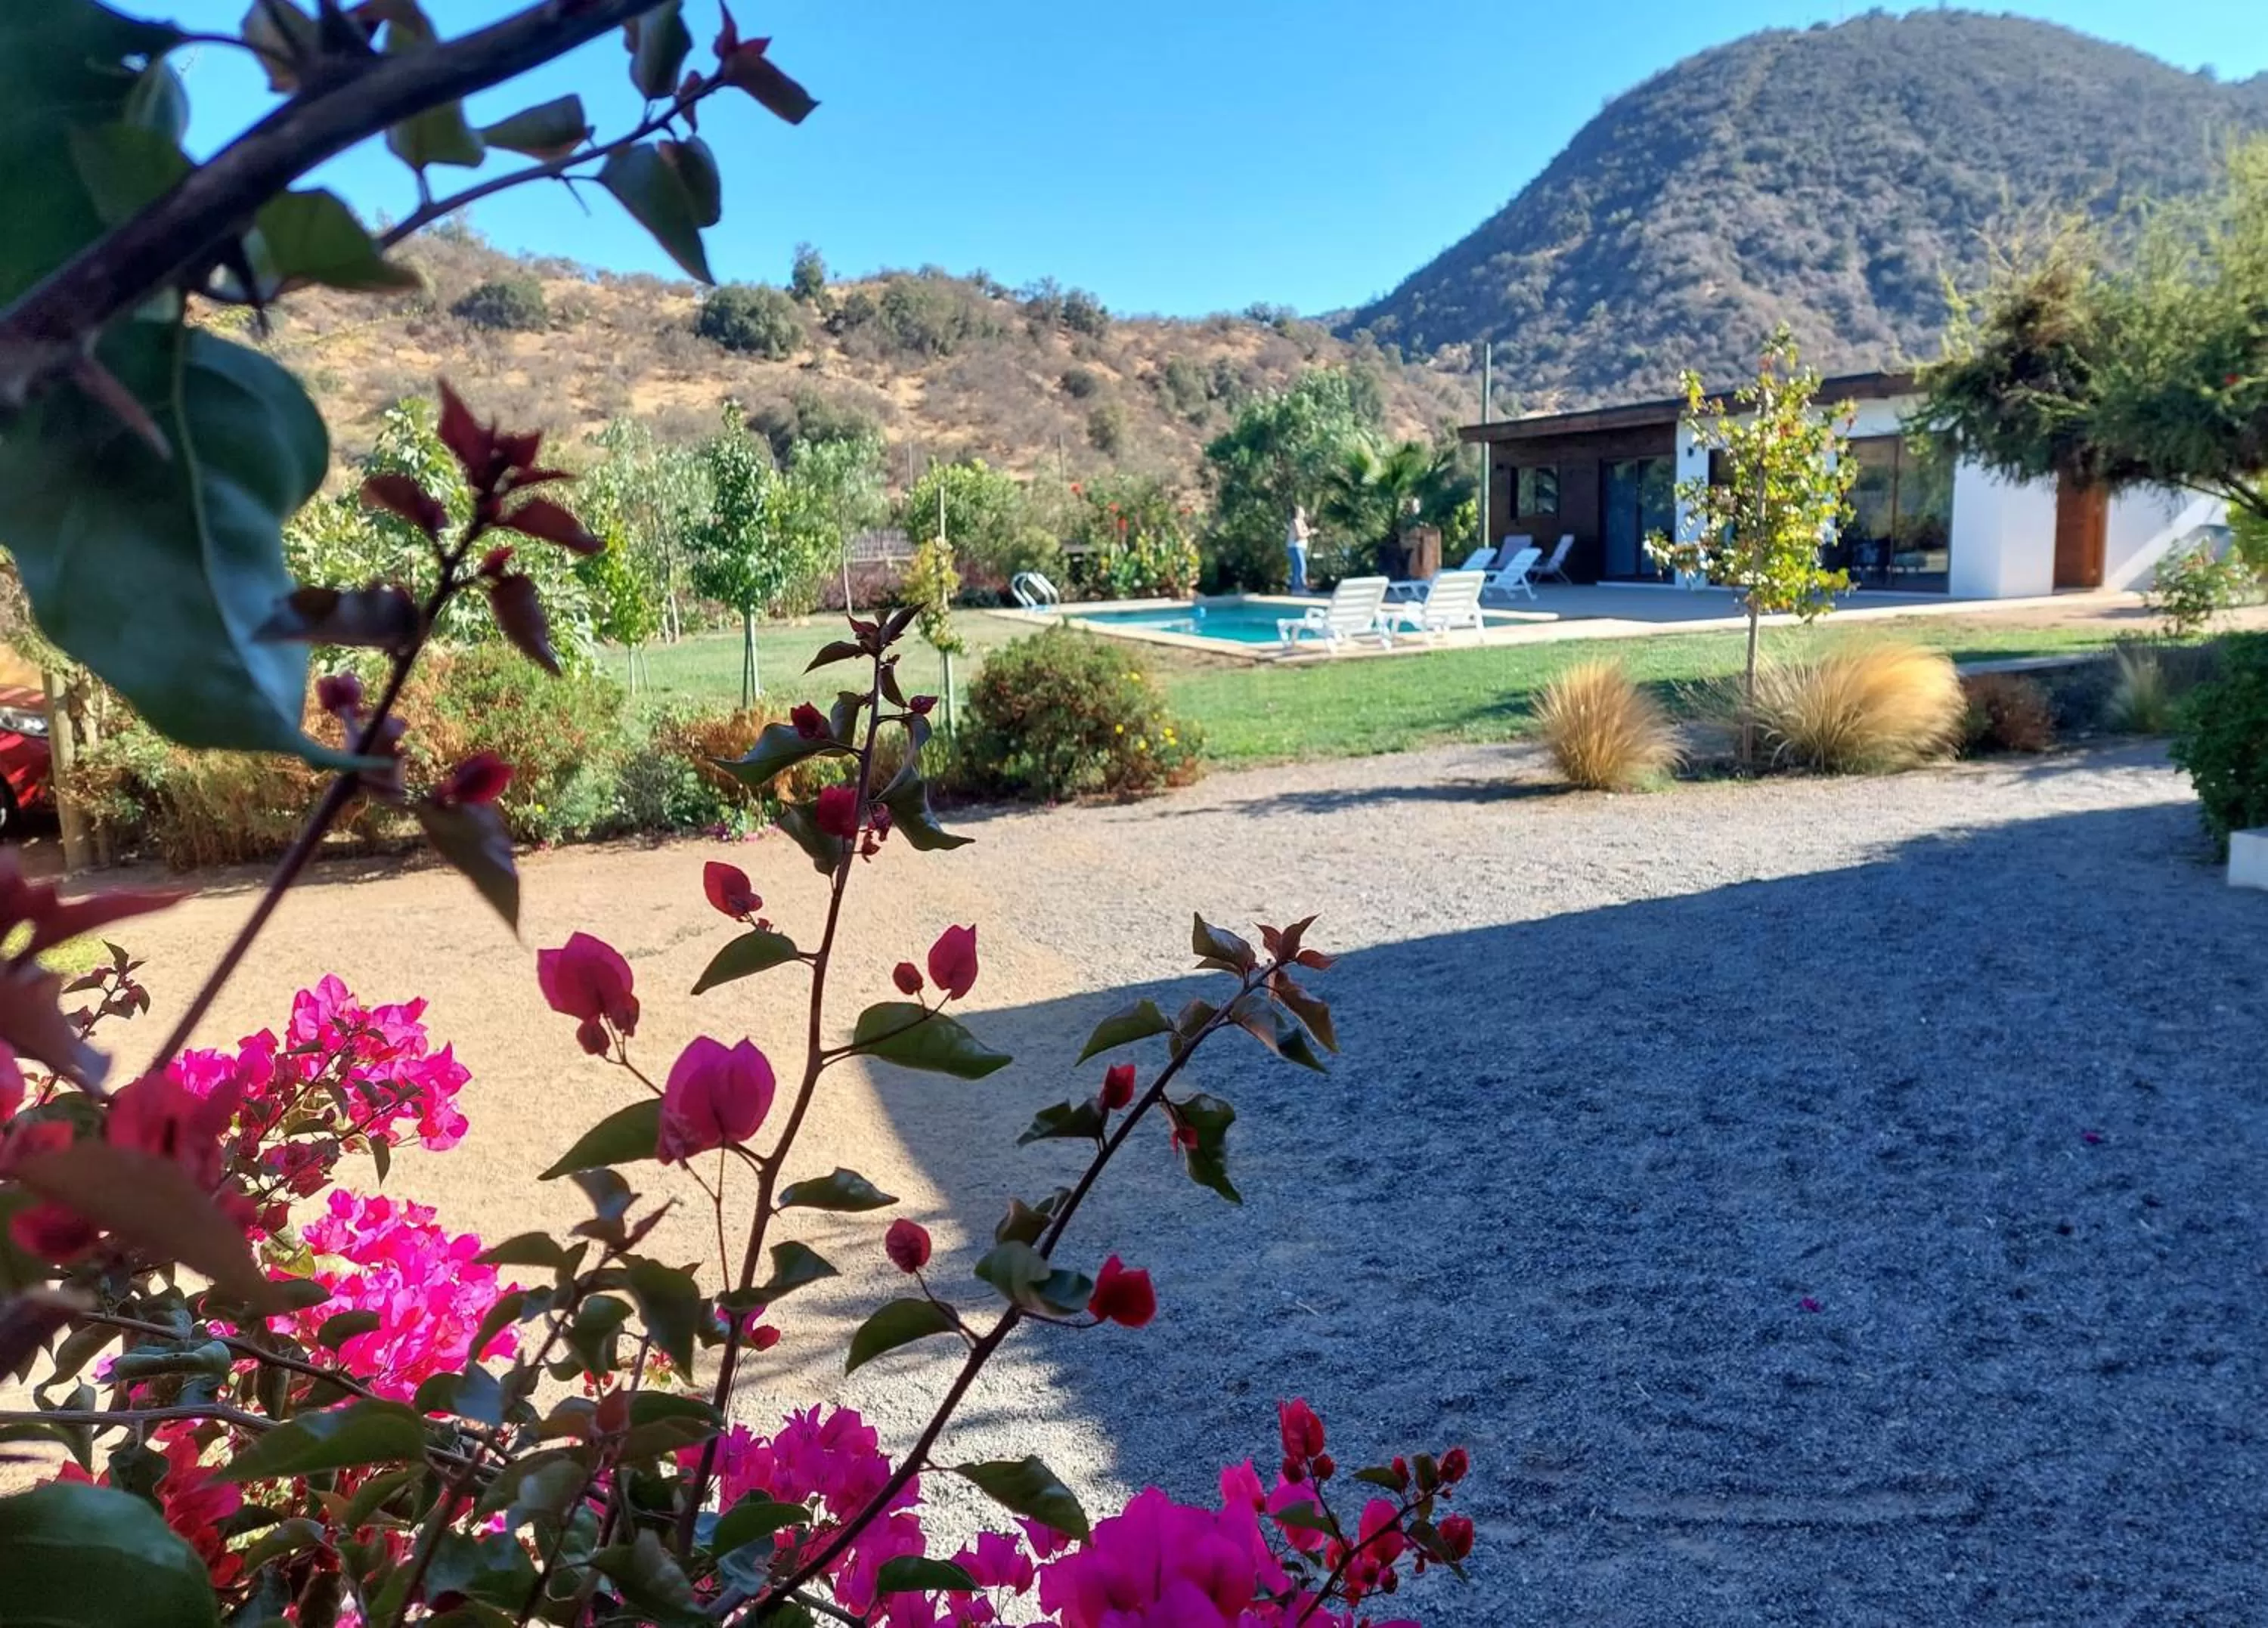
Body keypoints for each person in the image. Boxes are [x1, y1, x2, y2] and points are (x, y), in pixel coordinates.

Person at [1284, 506, 1312, 593]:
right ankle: (1299, 589)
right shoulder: (1296, 522)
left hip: (1300, 548)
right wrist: (1310, 532)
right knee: (1301, 567)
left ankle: (1295, 589)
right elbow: (1299, 535)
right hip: (1295, 547)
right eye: (1301, 512)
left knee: (1296, 568)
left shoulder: (1302, 522)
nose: (1303, 514)